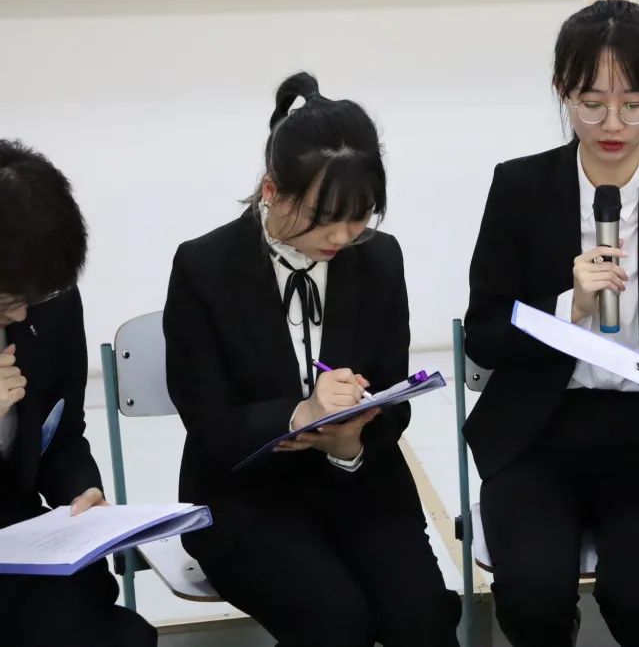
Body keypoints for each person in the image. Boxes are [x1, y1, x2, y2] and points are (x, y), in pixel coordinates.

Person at [464, 0, 639, 647]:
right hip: (538, 431)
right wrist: (567, 309)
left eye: (633, 104)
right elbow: (485, 333)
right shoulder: (520, 188)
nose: (613, 125)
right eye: (591, 104)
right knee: (531, 596)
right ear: (563, 91)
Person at [164, 73, 460, 647]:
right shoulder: (205, 267)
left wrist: (349, 444)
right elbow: (208, 422)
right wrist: (297, 416)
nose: (343, 236)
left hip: (361, 484)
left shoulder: (378, 259)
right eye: (324, 216)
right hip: (247, 499)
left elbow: (393, 397)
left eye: (361, 215)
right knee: (335, 622)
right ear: (271, 190)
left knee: (422, 617)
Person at [0, 138, 157, 647]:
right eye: (6, 299)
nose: (22, 314)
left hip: (17, 536)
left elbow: (62, 433)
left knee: (122, 633)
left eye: (34, 296)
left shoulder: (52, 300)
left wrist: (82, 494)